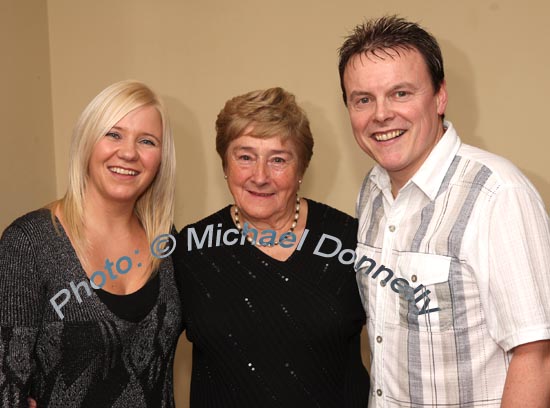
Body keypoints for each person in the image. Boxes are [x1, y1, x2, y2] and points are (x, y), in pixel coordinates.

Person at [338, 15, 550, 407]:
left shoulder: (497, 193)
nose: (381, 114)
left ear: (440, 97)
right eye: (363, 99)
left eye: (401, 93)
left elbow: (536, 355)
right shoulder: (372, 190)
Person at [172, 87, 370, 407]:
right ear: (225, 164)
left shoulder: (351, 240)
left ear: (301, 169)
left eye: (278, 159)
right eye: (245, 157)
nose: (260, 176)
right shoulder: (190, 250)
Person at [0, 80, 182, 407]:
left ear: (160, 158)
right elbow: (6, 382)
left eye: (147, 141)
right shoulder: (28, 243)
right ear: (86, 142)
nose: (128, 152)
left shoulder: (165, 241)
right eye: (113, 134)